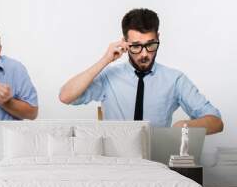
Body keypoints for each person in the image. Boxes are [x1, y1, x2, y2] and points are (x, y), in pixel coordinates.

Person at [59, 8, 223, 134]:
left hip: (156, 164)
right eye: (136, 46)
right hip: (116, 164)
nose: (145, 54)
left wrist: (184, 126)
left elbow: (216, 122)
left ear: (158, 38)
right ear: (125, 43)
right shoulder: (109, 77)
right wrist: (105, 60)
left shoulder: (175, 80)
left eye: (151, 45)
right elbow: (66, 96)